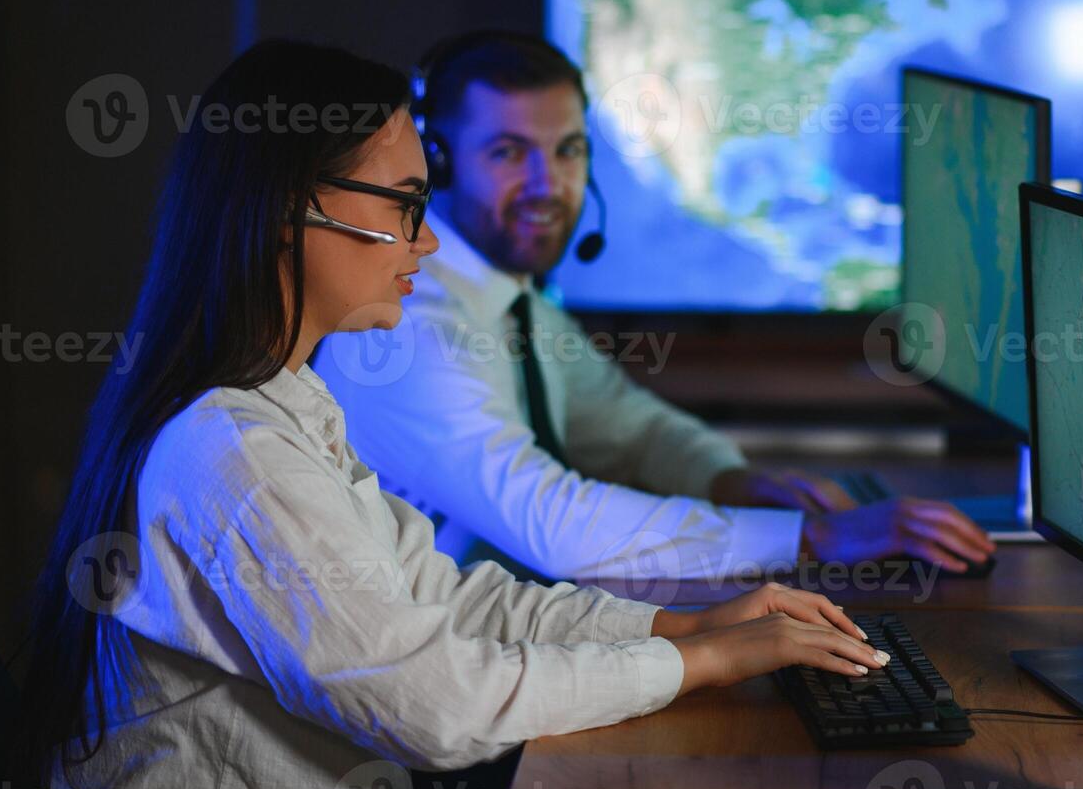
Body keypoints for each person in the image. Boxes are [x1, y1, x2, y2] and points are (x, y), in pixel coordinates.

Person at [17, 40, 884, 789]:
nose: (426, 242)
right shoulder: (235, 455)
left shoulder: (289, 405)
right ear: (292, 211)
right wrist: (706, 660)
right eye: (403, 205)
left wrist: (687, 627)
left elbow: (450, 599)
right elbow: (429, 704)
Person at [313, 31, 995, 584]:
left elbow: (624, 424)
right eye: (508, 153)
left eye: (568, 150)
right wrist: (809, 536)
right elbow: (550, 522)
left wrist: (739, 482)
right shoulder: (409, 325)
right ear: (442, 163)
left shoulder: (506, 298)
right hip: (439, 696)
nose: (548, 185)